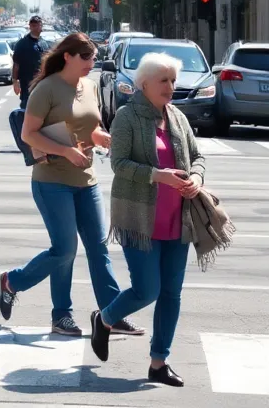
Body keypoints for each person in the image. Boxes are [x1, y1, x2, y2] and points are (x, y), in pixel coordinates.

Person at [0, 33, 141, 338]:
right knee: (64, 250)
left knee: (98, 248)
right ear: (68, 57)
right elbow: (28, 135)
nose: (92, 64)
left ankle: (111, 314)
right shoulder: (46, 89)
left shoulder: (89, 86)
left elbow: (92, 127)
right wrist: (65, 150)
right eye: (86, 58)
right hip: (52, 182)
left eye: (93, 58)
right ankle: (20, 287)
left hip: (86, 180)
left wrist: (103, 139)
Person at [90, 53, 207, 387]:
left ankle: (159, 362)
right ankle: (106, 318)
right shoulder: (127, 116)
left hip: (178, 219)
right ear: (144, 85)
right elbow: (119, 164)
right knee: (147, 290)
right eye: (163, 81)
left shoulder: (177, 118)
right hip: (139, 219)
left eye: (173, 80)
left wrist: (196, 178)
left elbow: (197, 156)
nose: (170, 87)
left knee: (172, 293)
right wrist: (159, 176)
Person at [12, 15, 51, 109]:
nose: (36, 27)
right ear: (30, 26)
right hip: (27, 84)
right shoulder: (22, 44)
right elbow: (16, 64)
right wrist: (15, 82)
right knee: (27, 108)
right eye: (33, 25)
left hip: (42, 83)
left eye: (38, 25)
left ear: (41, 26)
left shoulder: (44, 43)